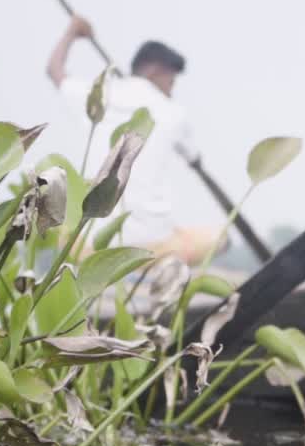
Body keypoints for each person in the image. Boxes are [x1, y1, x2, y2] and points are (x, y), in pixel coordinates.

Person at [46, 16, 224, 264]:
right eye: (171, 81)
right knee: (221, 237)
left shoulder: (100, 95)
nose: (171, 90)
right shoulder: (172, 112)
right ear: (156, 71)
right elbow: (194, 157)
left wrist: (71, 33)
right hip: (152, 246)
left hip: (89, 245)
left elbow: (55, 71)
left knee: (67, 236)